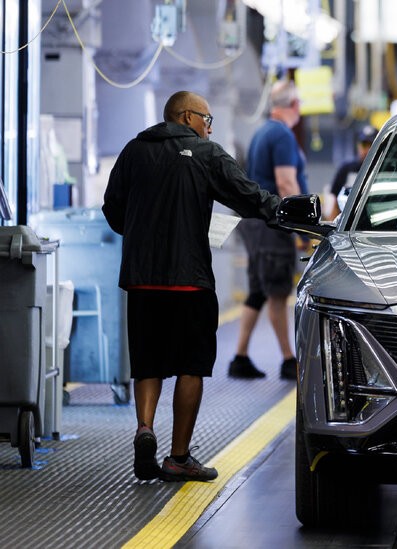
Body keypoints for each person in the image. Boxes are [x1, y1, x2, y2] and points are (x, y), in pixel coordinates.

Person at [102, 91, 281, 482]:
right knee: (191, 366)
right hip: (190, 282)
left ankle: (145, 428)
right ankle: (178, 457)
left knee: (148, 362)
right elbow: (247, 196)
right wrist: (284, 211)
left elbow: (112, 209)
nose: (209, 128)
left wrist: (141, 231)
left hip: (142, 280)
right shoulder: (207, 153)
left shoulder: (134, 150)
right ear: (186, 117)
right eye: (207, 119)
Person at [229, 79, 308, 380]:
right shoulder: (282, 135)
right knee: (277, 291)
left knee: (259, 290)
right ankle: (289, 361)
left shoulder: (262, 132)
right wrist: (304, 228)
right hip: (272, 225)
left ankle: (240, 357)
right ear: (295, 105)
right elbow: (286, 183)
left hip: (255, 224)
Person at [326, 124, 377, 219]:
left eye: (371, 145)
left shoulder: (383, 170)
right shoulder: (346, 169)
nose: (367, 150)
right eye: (364, 145)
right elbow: (335, 205)